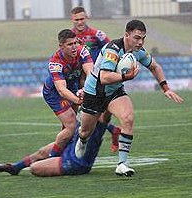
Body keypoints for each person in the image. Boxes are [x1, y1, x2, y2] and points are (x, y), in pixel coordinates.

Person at [75, 19, 184, 177]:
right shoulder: (113, 50)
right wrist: (126, 76)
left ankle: (122, 164)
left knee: (128, 118)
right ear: (126, 35)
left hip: (114, 92)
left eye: (143, 38)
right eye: (137, 38)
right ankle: (82, 140)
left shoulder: (138, 51)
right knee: (85, 132)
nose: (140, 42)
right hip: (94, 92)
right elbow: (104, 77)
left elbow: (155, 66)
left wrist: (165, 88)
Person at [70, 6, 121, 152]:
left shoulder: (96, 34)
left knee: (88, 111)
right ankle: (112, 130)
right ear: (72, 20)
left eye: (82, 19)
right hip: (79, 77)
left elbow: (113, 48)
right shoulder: (71, 37)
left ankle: (77, 142)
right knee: (80, 110)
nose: (80, 22)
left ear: (86, 18)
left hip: (96, 79)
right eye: (76, 20)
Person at [0, 116, 111, 177]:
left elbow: (105, 119)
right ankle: (15, 168)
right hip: (72, 146)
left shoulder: (99, 111)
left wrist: (115, 132)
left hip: (77, 162)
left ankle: (53, 160)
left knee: (34, 168)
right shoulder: (89, 103)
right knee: (42, 152)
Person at [42, 29, 93, 158]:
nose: (74, 46)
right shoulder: (55, 63)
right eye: (70, 44)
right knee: (72, 124)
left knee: (68, 128)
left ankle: (61, 153)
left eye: (75, 42)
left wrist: (85, 89)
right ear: (61, 46)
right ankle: (52, 158)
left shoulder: (82, 50)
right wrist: (79, 100)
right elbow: (61, 90)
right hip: (54, 93)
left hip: (73, 88)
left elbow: (90, 73)